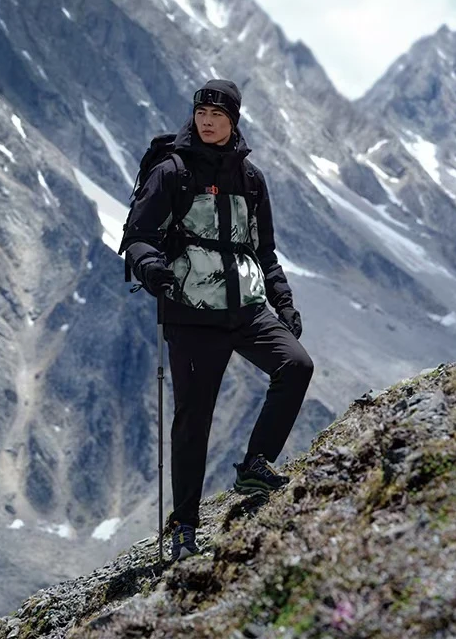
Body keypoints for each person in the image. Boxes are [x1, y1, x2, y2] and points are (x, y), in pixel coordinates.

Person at [123, 79, 314, 561]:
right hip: (191, 314)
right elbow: (138, 235)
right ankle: (184, 526)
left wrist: (283, 301)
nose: (207, 121)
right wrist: (152, 270)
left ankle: (255, 465)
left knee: (296, 366)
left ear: (234, 121)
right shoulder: (172, 172)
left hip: (247, 309)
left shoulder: (251, 179)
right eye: (200, 112)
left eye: (217, 115)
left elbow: (263, 250)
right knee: (194, 419)